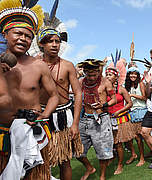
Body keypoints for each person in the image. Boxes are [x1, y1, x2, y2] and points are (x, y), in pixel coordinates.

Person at [0, 0, 60, 179]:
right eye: (18, 33)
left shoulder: (39, 65)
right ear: (5, 34)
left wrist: (45, 114)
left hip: (32, 130)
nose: (23, 39)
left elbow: (54, 96)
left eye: (28, 36)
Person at [37, 27, 83, 179]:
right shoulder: (35, 64)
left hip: (64, 116)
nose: (55, 44)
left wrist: (75, 123)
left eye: (57, 41)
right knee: (41, 160)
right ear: (42, 44)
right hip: (42, 116)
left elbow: (77, 93)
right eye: (50, 41)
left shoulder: (67, 65)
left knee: (65, 160)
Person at [77, 59, 116, 180]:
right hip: (84, 120)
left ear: (98, 72)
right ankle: (89, 168)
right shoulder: (81, 82)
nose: (92, 77)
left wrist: (103, 106)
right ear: (84, 72)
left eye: (95, 74)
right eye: (89, 74)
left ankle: (102, 176)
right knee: (77, 151)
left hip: (101, 119)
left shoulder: (105, 82)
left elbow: (114, 99)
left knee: (102, 152)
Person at [106, 66, 136, 175]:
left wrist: (119, 111)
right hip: (110, 118)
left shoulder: (121, 89)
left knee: (122, 141)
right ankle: (120, 157)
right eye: (107, 74)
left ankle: (120, 165)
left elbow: (130, 103)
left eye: (110, 75)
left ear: (116, 77)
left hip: (122, 118)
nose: (107, 77)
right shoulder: (105, 90)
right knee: (116, 142)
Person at [125, 67, 148, 167]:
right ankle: (135, 155)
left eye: (135, 74)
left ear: (138, 75)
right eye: (131, 74)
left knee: (140, 137)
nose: (133, 76)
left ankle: (142, 158)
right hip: (131, 112)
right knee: (133, 137)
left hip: (141, 111)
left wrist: (133, 96)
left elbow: (144, 97)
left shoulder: (140, 84)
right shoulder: (128, 86)